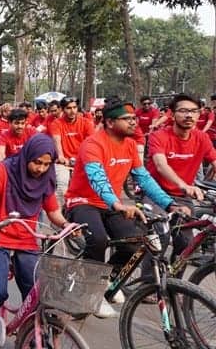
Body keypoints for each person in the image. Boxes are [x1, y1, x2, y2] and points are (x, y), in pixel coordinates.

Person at [64, 97, 189, 317]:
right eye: (127, 119)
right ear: (110, 123)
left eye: (134, 118)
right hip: (82, 202)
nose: (134, 122)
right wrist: (118, 204)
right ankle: (89, 293)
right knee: (99, 240)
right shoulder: (93, 144)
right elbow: (97, 179)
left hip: (112, 204)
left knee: (137, 243)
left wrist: (170, 204)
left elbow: (144, 178)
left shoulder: (130, 145)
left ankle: (106, 283)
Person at [0, 134, 72, 349]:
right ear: (27, 156)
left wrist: (66, 225)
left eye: (46, 164)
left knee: (36, 291)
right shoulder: (5, 169)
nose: (41, 168)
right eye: (37, 162)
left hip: (26, 237)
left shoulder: (46, 177)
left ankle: (31, 335)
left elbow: (53, 211)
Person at [145, 94, 216, 261]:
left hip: (182, 198)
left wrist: (184, 189)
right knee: (159, 237)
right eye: (183, 111)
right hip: (155, 193)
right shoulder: (159, 136)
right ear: (172, 114)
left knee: (186, 243)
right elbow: (161, 166)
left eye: (194, 111)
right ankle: (147, 284)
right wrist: (185, 185)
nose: (189, 115)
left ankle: (174, 284)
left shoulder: (201, 137)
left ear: (199, 114)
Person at [49, 96, 94, 205]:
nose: (72, 111)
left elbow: (90, 143)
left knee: (87, 191)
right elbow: (56, 140)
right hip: (63, 162)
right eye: (68, 108)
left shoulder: (86, 123)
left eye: (74, 107)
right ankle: (57, 219)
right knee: (61, 188)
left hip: (82, 161)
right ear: (63, 109)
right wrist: (60, 156)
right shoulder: (56, 123)